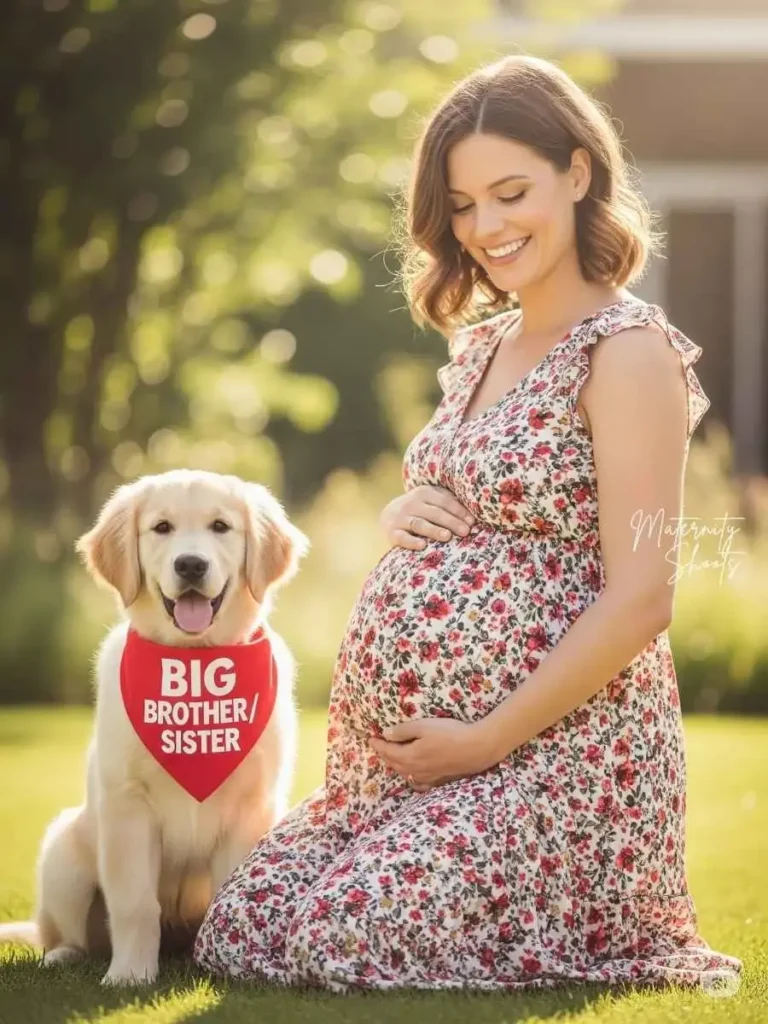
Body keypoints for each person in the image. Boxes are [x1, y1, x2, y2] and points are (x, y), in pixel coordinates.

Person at [193, 54, 743, 993]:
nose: (485, 227)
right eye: (461, 204)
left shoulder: (629, 354)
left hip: (557, 772)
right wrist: (405, 509)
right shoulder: (482, 345)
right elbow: (476, 497)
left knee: (343, 942)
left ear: (578, 174)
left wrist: (487, 737)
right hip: (406, 776)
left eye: (510, 192)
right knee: (243, 926)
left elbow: (646, 594)